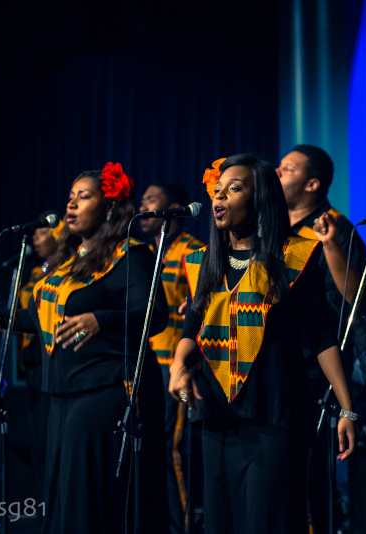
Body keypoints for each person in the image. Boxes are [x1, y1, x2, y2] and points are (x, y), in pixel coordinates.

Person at [0, 163, 169, 534]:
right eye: (70, 197)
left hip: (105, 387)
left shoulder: (130, 254)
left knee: (84, 496)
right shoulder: (67, 262)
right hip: (60, 393)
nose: (71, 205)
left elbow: (154, 316)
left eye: (83, 197)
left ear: (109, 207)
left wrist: (99, 319)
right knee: (60, 492)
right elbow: (46, 318)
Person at [168, 154, 356, 534]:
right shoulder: (204, 263)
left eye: (234, 189)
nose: (220, 197)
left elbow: (322, 336)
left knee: (266, 522)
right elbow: (193, 327)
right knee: (223, 522)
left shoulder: (295, 257)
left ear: (260, 199)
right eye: (217, 190)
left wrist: (347, 409)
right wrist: (178, 367)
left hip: (277, 414)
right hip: (218, 414)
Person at [276, 144, 366, 531]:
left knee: (314, 482)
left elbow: (353, 298)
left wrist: (329, 246)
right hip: (281, 362)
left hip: (316, 370)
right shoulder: (276, 229)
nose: (278, 175)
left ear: (312, 184)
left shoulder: (335, 228)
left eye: (288, 170)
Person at [139, 181, 204, 534]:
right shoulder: (146, 253)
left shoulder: (193, 251)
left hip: (173, 365)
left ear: (174, 207)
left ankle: (183, 528)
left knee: (172, 448)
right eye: (143, 201)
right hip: (146, 363)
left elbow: (202, 305)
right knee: (148, 447)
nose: (144, 206)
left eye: (152, 200)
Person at [17, 210, 66, 503]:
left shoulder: (67, 268)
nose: (35, 238)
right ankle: (43, 504)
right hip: (34, 360)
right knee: (37, 435)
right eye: (33, 234)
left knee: (56, 435)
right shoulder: (35, 272)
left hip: (57, 357)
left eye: (42, 232)